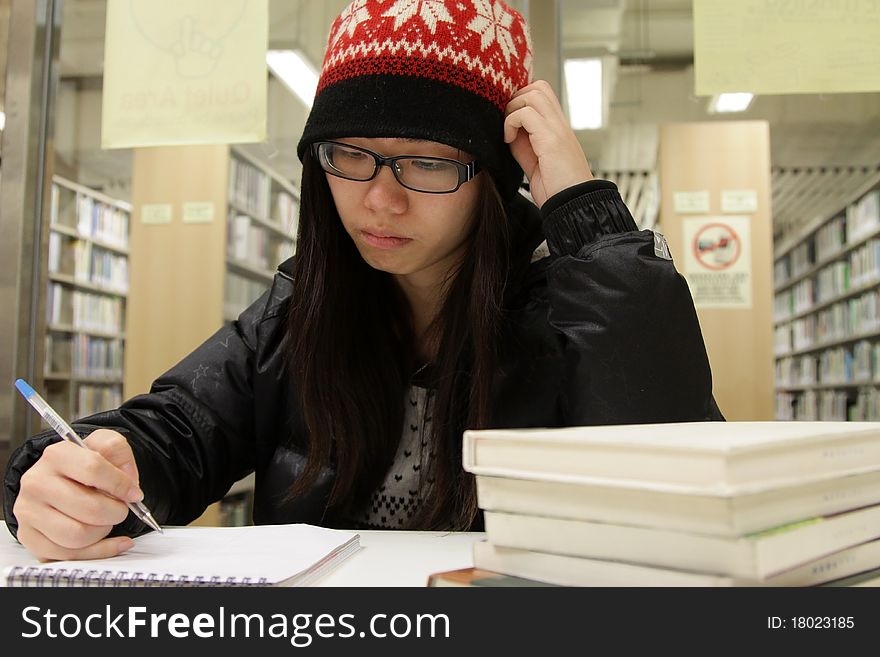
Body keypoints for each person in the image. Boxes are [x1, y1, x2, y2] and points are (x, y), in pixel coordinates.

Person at [4, 0, 722, 561]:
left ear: (494, 183)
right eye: (351, 155)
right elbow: (173, 428)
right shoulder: (297, 313)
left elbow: (682, 471)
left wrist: (582, 209)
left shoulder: (569, 312)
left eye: (429, 163)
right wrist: (71, 475)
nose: (381, 200)